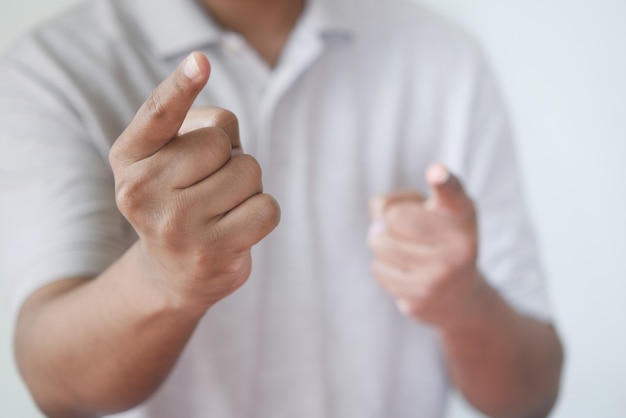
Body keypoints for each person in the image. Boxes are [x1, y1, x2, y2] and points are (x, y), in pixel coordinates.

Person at [0, 0, 564, 417]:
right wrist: (165, 276)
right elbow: (54, 382)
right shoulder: (52, 69)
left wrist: (463, 304)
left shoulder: (444, 57)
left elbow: (531, 395)